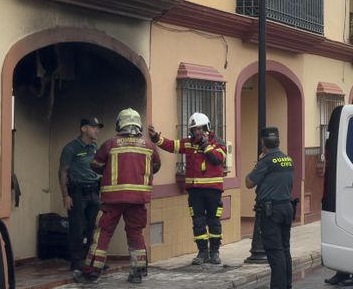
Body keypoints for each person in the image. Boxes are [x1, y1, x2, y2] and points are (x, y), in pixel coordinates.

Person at [75, 108, 161, 285]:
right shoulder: (149, 145)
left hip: (112, 200)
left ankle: (91, 274)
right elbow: (156, 166)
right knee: (136, 233)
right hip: (138, 201)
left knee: (103, 234)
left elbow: (95, 165)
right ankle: (137, 272)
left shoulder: (110, 144)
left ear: (119, 124)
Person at [149, 113, 227, 265]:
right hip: (194, 191)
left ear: (207, 128)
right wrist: (155, 138)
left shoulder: (218, 142)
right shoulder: (189, 143)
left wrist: (206, 146)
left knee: (214, 221)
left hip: (213, 190)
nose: (197, 132)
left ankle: (215, 252)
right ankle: (202, 252)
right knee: (198, 222)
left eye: (200, 129)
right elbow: (171, 145)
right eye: (194, 129)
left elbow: (217, 159)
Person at [246, 127, 295, 289]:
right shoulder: (288, 159)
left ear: (263, 145)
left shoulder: (265, 162)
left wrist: (259, 162)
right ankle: (287, 285)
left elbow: (249, 182)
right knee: (285, 249)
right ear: (278, 142)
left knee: (275, 252)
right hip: (287, 208)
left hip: (271, 211)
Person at [59, 117, 103, 272]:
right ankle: (77, 260)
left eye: (98, 128)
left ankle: (91, 259)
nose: (97, 130)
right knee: (77, 227)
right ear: (83, 129)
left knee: (95, 226)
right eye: (93, 127)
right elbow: (63, 172)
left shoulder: (94, 147)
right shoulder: (71, 148)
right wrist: (66, 195)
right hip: (77, 192)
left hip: (93, 191)